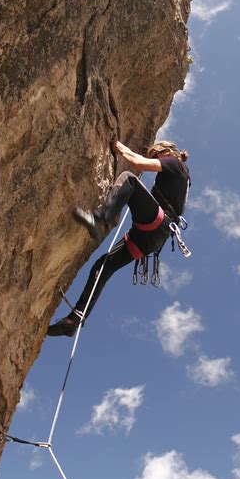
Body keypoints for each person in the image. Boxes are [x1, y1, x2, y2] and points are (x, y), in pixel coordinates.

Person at [47, 140, 190, 337]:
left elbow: (138, 163)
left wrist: (120, 147)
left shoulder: (175, 164)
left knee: (129, 179)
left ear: (164, 152)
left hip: (156, 224)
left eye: (155, 156)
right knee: (102, 267)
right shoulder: (182, 179)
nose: (154, 161)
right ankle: (75, 318)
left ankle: (101, 219)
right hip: (150, 239)